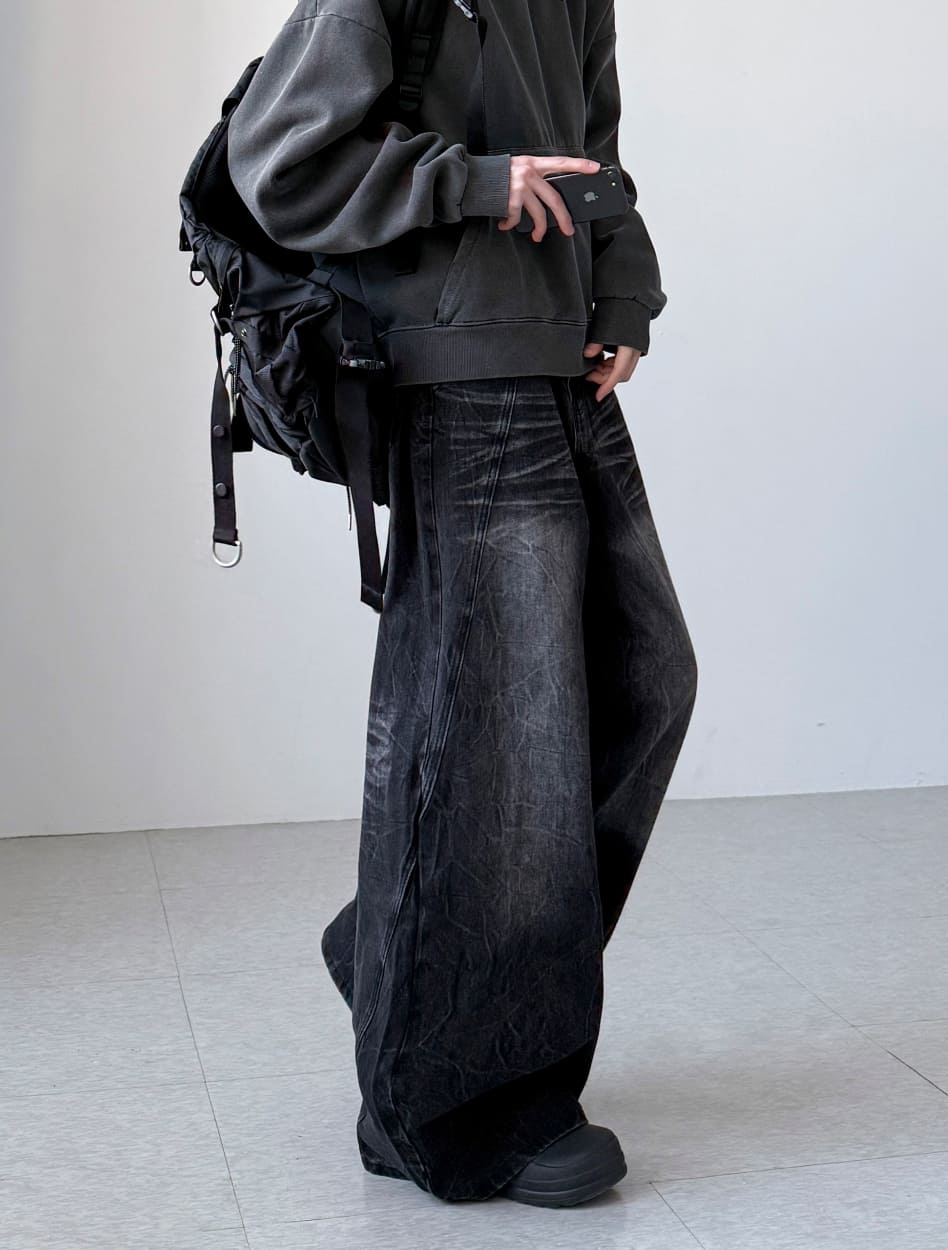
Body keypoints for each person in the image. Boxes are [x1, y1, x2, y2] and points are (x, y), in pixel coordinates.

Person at [227, 0, 698, 1208]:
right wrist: (471, 185)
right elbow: (279, 161)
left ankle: (404, 949)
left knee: (645, 682)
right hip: (456, 378)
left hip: (558, 365)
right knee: (499, 742)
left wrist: (622, 292)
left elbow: (594, 153)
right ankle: (457, 1100)